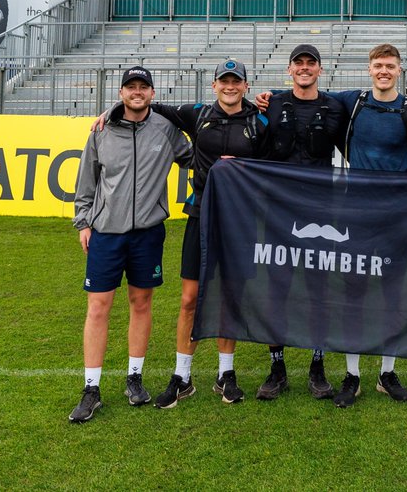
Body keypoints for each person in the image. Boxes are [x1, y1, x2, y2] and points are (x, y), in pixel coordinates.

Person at [69, 66, 193, 423]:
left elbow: (194, 159)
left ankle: (134, 378)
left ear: (152, 93)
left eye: (143, 87)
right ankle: (91, 388)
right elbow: (87, 179)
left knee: (141, 302)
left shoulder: (167, 129)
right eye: (130, 87)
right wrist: (84, 222)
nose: (137, 92)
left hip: (148, 232)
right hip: (106, 231)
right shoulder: (102, 129)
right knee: (98, 307)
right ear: (121, 92)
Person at [144, 58, 269, 408]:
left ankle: (225, 375)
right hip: (200, 213)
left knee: (230, 295)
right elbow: (147, 105)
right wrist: (110, 114)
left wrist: (242, 167)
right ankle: (182, 377)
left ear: (246, 86)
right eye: (224, 81)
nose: (230, 86)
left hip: (239, 219)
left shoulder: (259, 122)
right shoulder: (196, 114)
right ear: (214, 85)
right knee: (190, 298)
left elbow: (269, 168)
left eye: (236, 81)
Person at [326, 43, 407, 408]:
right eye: (377, 65)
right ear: (369, 69)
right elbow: (308, 96)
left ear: (399, 70)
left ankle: (387, 374)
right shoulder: (351, 102)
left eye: (389, 65)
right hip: (356, 214)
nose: (383, 71)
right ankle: (352, 375)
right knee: (353, 294)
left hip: (396, 216)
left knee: (392, 294)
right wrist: (268, 96)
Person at [258, 43, 349, 401]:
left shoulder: (334, 106)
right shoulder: (273, 103)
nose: (305, 68)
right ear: (290, 68)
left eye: (311, 63)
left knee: (318, 289)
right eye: (299, 63)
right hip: (279, 212)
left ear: (320, 70)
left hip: (319, 211)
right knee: (276, 288)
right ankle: (277, 367)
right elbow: (257, 149)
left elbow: (353, 149)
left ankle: (317, 365)